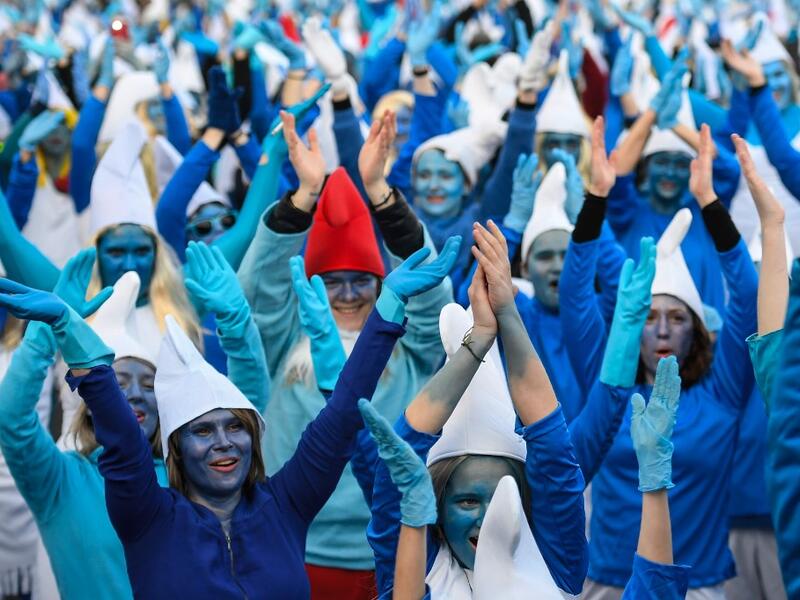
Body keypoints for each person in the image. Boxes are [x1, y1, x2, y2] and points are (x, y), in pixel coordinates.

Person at [0, 238, 456, 598]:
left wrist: (388, 308)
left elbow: (341, 416)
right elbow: (120, 438)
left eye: (236, 426)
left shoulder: (286, 504)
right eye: (202, 430)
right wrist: (65, 333)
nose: (224, 441)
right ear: (174, 447)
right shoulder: (148, 515)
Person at [0, 243, 267, 600]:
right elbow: (11, 419)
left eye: (148, 384)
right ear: (91, 401)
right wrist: (47, 333)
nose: (136, 394)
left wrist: (237, 324)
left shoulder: (187, 471)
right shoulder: (59, 479)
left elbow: (241, 414)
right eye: (118, 383)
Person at [564, 124, 759, 598]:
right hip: (609, 583)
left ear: (698, 330)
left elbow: (749, 294)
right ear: (633, 325)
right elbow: (573, 294)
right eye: (650, 317)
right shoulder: (609, 388)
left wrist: (710, 202)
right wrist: (595, 200)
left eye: (678, 317)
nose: (665, 328)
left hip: (703, 586)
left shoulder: (723, 390)